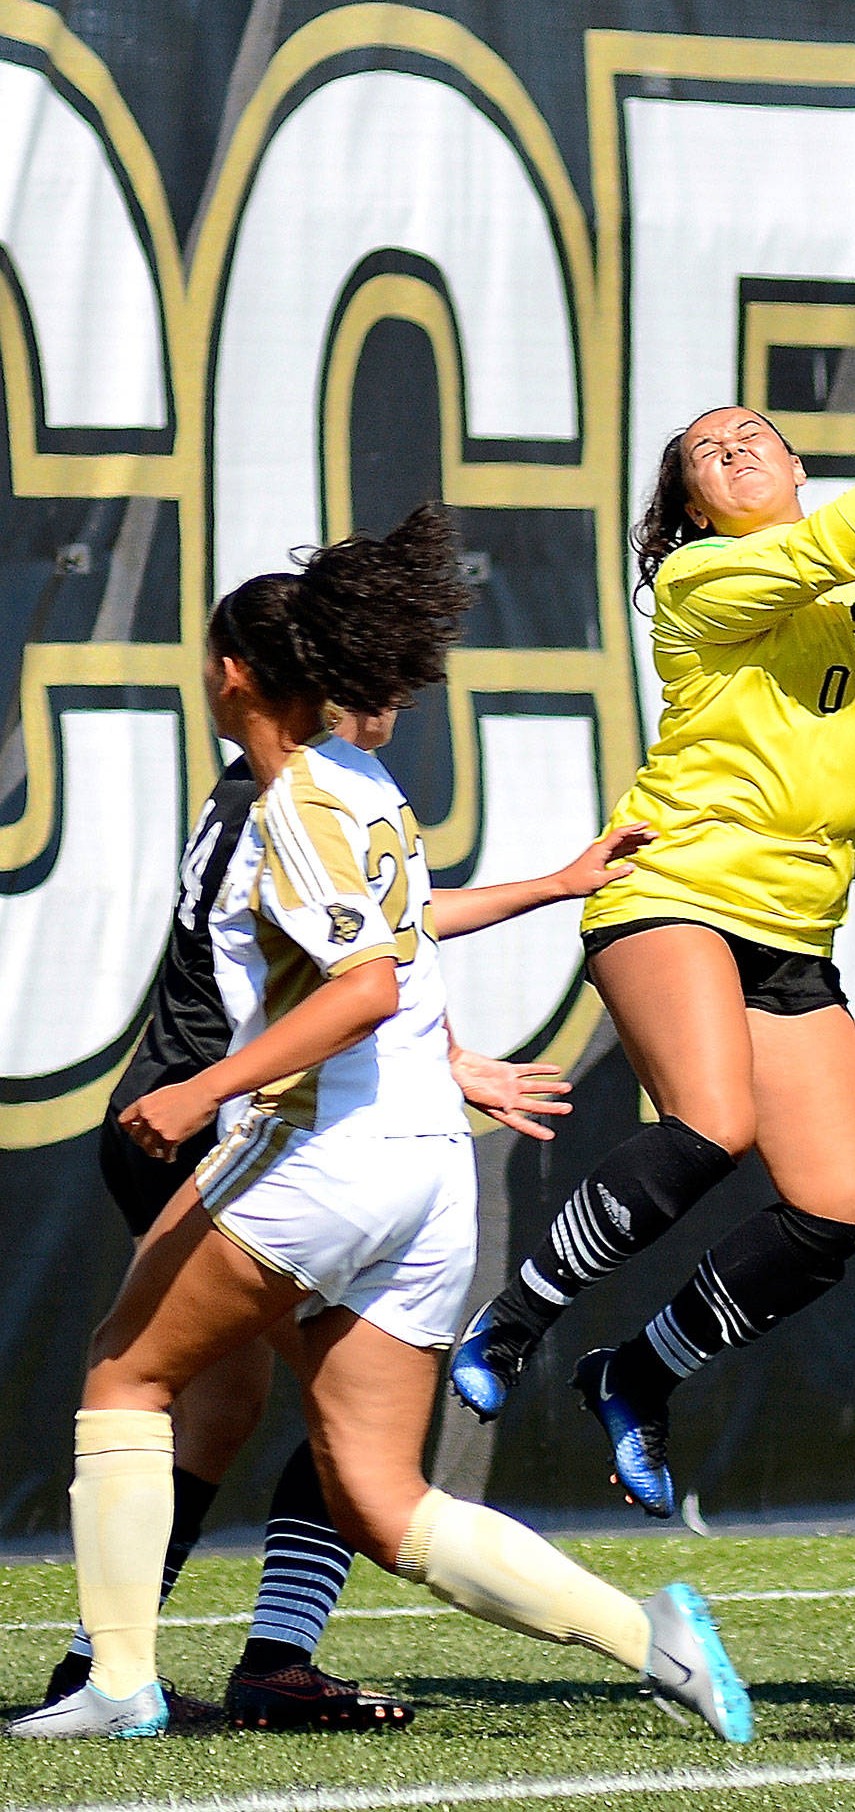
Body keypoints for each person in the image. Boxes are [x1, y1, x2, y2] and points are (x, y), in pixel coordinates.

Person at [8, 509, 748, 1743]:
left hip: (320, 1152)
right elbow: (389, 949)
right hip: (427, 1175)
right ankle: (652, 1637)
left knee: (125, 1373)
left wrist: (201, 1090)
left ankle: (118, 1680)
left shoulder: (290, 798)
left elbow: (360, 990)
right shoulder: (363, 786)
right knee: (381, 1494)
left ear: (235, 672)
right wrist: (551, 895)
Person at [449, 375, 855, 1520]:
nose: (731, 449)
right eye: (705, 456)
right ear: (693, 511)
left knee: (834, 1208)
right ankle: (512, 1320)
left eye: (749, 435)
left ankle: (636, 1372)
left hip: (794, 922)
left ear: (795, 466)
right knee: (710, 1123)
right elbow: (810, 560)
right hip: (671, 885)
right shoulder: (696, 577)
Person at [41, 700, 651, 1732]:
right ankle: (151, 1668)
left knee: (227, 1411)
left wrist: (550, 888)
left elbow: (384, 927)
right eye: (370, 685)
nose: (392, 706)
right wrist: (438, 1057)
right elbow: (353, 966)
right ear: (303, 687)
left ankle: (128, 1668)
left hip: (256, 1120)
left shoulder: (322, 790)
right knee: (302, 1417)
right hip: (208, 1119)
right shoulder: (279, 795)